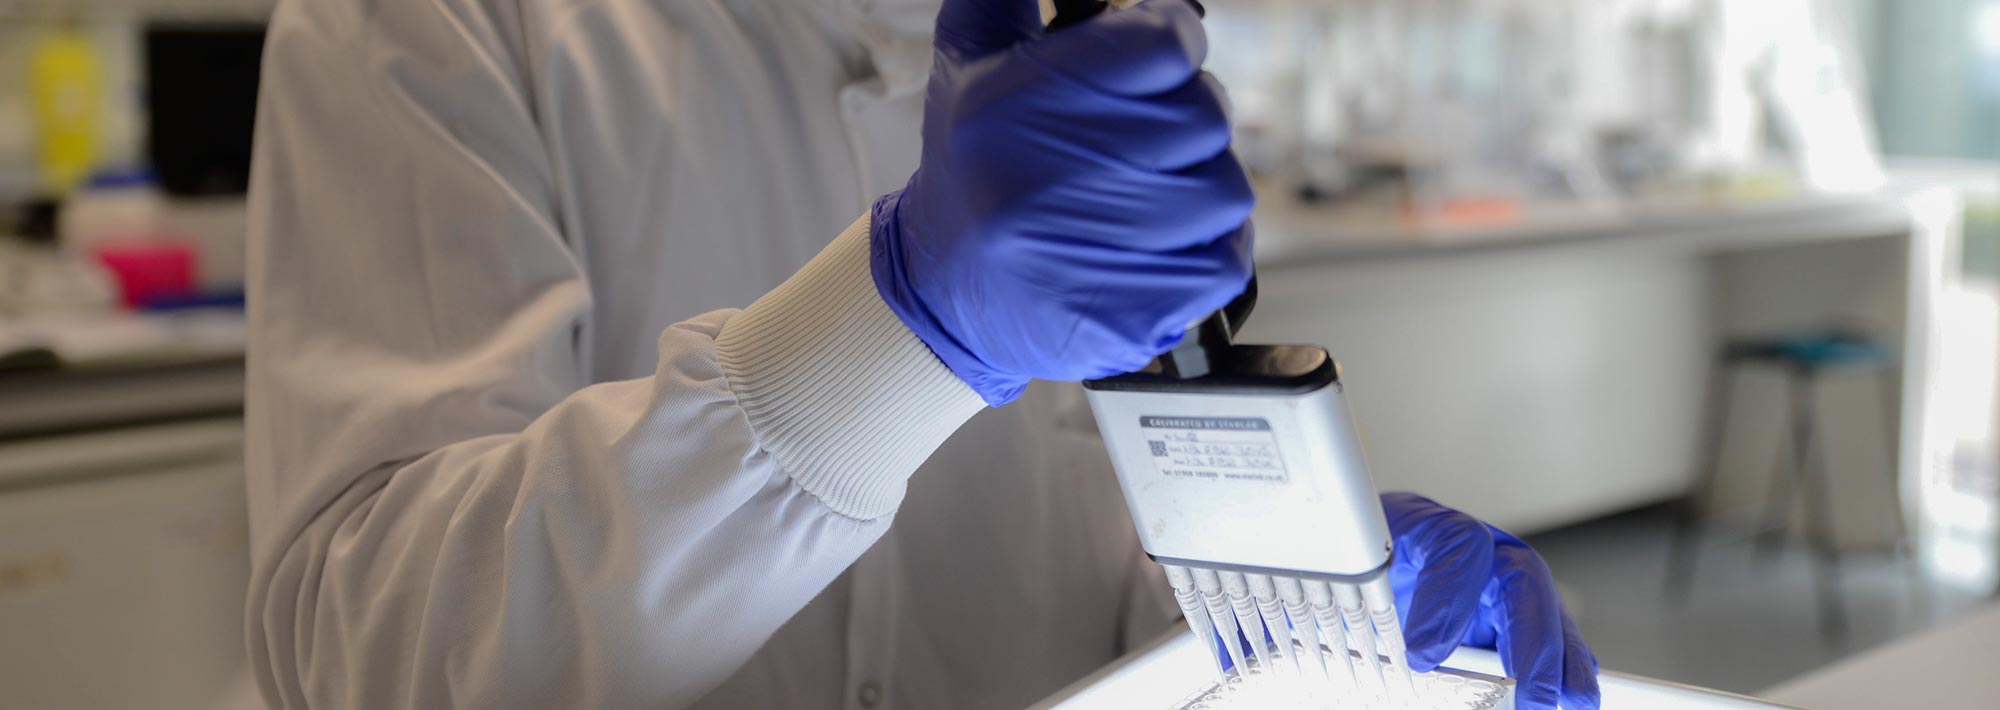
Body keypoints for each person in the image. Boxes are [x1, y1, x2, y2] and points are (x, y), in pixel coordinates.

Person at [243, 0, 1601, 708]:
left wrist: (1298, 596)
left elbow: (1092, 539)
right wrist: (897, 331)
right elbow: (374, 658)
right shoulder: (438, 19)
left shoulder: (1105, 40)